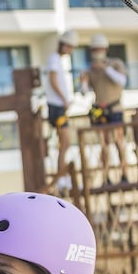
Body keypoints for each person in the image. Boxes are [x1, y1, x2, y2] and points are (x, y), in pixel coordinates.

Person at [79, 34, 129, 184]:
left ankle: (124, 174)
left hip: (115, 108)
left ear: (105, 49)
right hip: (99, 110)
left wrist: (105, 69)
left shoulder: (115, 64)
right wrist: (83, 82)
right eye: (94, 49)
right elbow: (83, 92)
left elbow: (122, 81)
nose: (97, 52)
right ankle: (106, 176)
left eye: (99, 49)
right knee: (103, 145)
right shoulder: (90, 69)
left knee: (119, 143)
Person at [45, 30, 77, 194]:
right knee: (65, 143)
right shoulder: (54, 59)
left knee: (64, 144)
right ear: (64, 45)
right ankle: (62, 178)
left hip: (58, 107)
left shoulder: (57, 60)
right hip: (57, 108)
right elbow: (52, 79)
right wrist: (64, 98)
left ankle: (62, 177)